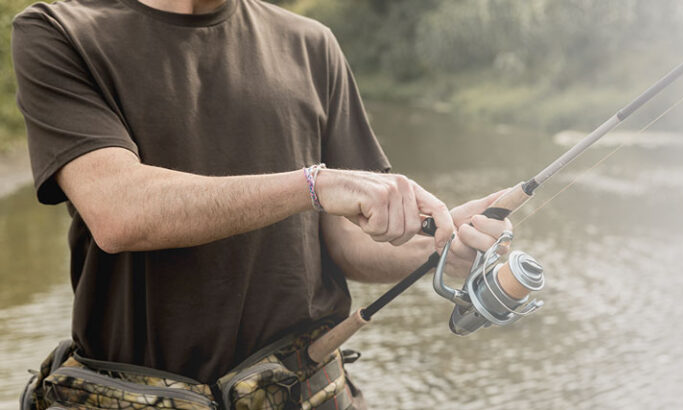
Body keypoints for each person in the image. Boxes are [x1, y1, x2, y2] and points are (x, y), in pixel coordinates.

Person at [11, 0, 511, 408]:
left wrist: (441, 243)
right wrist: (311, 186)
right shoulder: (58, 31)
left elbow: (347, 244)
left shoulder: (312, 45)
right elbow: (119, 213)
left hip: (311, 392)